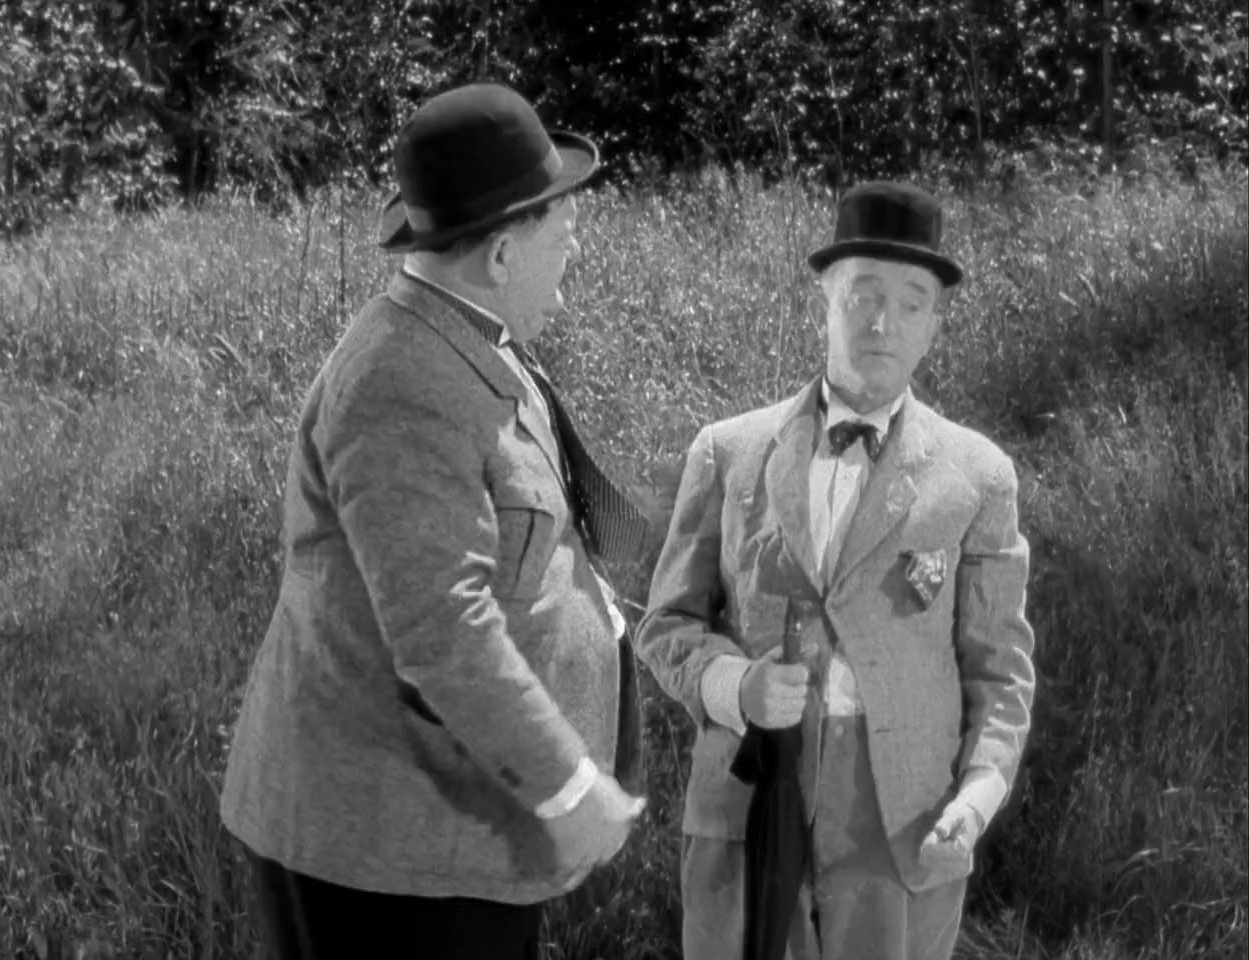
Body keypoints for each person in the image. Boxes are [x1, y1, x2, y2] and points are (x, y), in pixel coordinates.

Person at [219, 82, 651, 960]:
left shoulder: (466, 334)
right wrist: (570, 788)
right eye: (564, 233)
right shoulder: (399, 382)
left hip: (454, 843)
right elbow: (440, 627)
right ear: (501, 254)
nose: (574, 250)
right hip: (387, 866)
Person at [635, 181, 1037, 960]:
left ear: (934, 325)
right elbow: (667, 624)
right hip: (746, 807)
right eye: (864, 294)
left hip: (904, 826)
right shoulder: (727, 451)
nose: (883, 322)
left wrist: (978, 796)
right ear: (824, 296)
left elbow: (1000, 669)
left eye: (911, 302)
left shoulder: (978, 476)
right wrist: (736, 686)